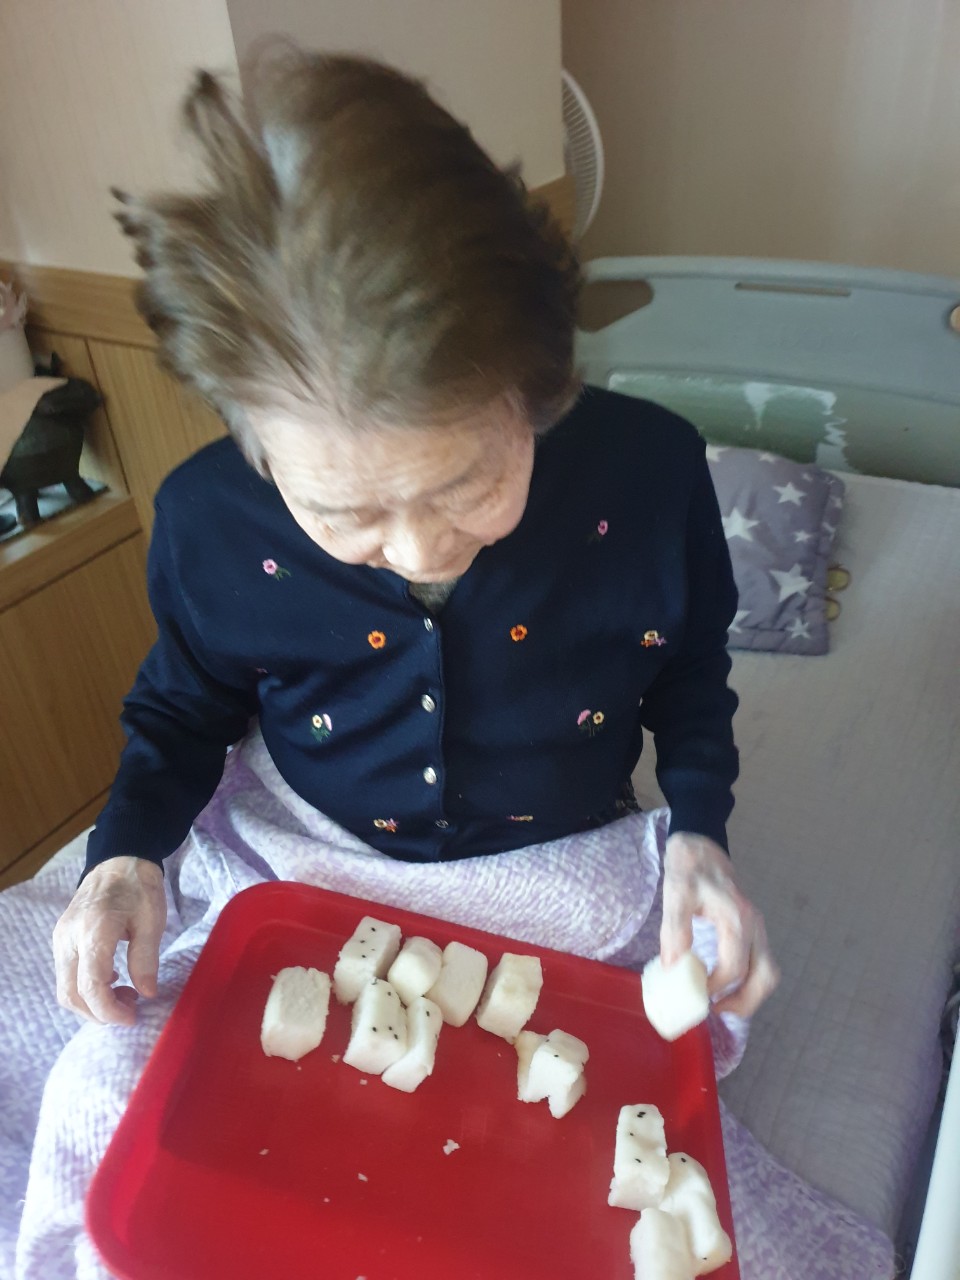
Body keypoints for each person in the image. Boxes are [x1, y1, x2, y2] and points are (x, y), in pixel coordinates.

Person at [52, 46, 778, 1031]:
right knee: (124, 1065)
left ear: (540, 392)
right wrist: (127, 854)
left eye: (467, 485)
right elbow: (184, 708)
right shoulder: (206, 520)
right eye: (345, 513)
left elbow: (687, 669)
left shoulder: (650, 475)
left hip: (558, 861)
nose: (424, 552)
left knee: (656, 1049)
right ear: (254, 446)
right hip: (305, 853)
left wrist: (699, 832)